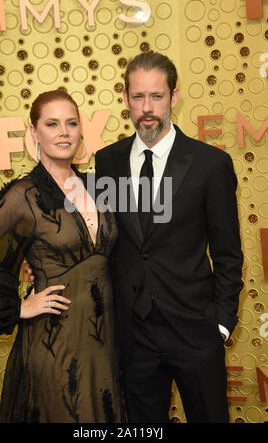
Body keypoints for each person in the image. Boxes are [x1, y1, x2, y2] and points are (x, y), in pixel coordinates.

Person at [94, 51, 243, 423]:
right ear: (126, 98)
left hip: (196, 331)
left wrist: (221, 324)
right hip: (133, 336)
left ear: (174, 97)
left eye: (157, 97)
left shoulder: (210, 164)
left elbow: (227, 253)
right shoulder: (107, 161)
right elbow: (100, 240)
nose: (147, 108)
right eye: (139, 97)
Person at [0, 90, 124, 423]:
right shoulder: (23, 195)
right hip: (55, 345)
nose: (64, 132)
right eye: (52, 124)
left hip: (106, 343)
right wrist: (18, 306)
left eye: (71, 123)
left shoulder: (98, 186)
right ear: (34, 133)